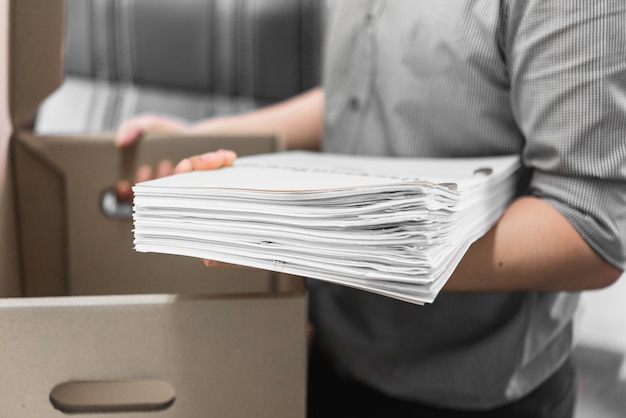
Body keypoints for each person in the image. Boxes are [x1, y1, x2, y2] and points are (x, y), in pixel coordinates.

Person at [116, 1, 626, 417]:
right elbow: (359, 94)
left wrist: (304, 239)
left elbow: (591, 229)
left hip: (472, 392)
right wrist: (205, 137)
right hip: (331, 352)